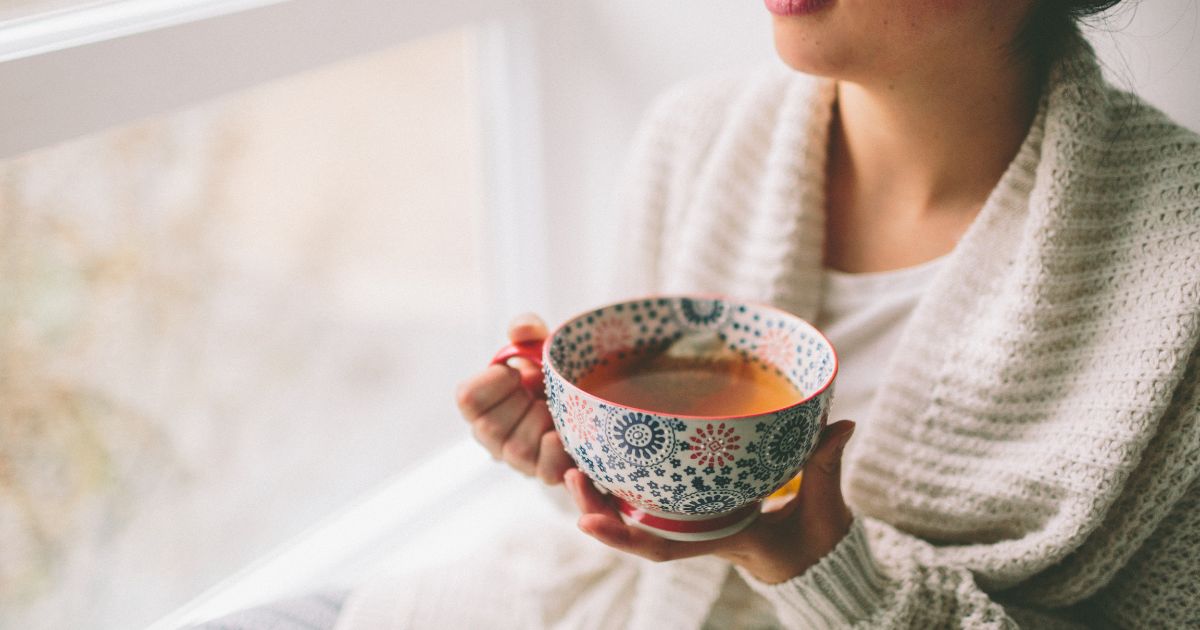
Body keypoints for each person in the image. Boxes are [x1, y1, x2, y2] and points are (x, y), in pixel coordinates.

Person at [212, 1, 1199, 628]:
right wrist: (580, 452)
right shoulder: (695, 139)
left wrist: (814, 561)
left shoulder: (1178, 275)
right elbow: (636, 522)